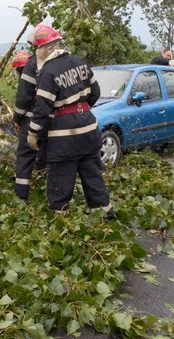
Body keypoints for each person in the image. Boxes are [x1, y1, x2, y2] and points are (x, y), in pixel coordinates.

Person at [26, 24, 114, 218]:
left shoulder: (48, 71)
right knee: (93, 176)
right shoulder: (80, 62)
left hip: (65, 135)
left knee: (60, 180)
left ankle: (62, 222)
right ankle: (105, 217)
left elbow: (42, 107)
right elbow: (95, 92)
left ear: (43, 49)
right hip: (89, 128)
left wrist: (33, 133)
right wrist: (80, 108)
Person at [12, 47, 47, 201]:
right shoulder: (46, 72)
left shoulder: (27, 76)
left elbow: (22, 101)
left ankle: (21, 196)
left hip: (31, 122)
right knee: (45, 153)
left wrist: (17, 119)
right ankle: (46, 186)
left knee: (24, 158)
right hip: (48, 122)